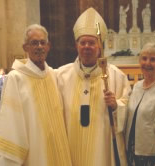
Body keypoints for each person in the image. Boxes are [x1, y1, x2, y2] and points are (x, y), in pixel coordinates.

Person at [56, 7, 131, 166]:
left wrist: (116, 105)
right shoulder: (61, 76)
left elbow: (128, 108)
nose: (87, 46)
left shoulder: (116, 76)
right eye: (83, 42)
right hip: (71, 146)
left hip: (102, 149)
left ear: (100, 47)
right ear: (77, 46)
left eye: (92, 42)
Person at [0, 24, 72, 166]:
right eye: (34, 43)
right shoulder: (16, 78)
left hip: (59, 150)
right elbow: (12, 121)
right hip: (35, 153)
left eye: (42, 42)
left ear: (48, 46)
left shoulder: (53, 75)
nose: (39, 46)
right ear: (25, 47)